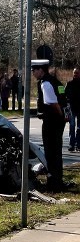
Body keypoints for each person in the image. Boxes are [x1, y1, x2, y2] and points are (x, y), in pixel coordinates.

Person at [31, 58, 67, 191]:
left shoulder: (45, 83)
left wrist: (59, 115)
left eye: (34, 70)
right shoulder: (55, 81)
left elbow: (53, 103)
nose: (33, 73)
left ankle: (54, 183)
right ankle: (57, 180)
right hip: (57, 122)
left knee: (51, 153)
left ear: (41, 70)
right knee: (56, 152)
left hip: (52, 122)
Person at [65, 67, 80, 152]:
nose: (76, 74)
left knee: (79, 128)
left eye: (77, 73)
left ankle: (79, 145)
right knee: (72, 127)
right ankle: (72, 145)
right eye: (75, 73)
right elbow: (64, 94)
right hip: (71, 108)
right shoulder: (69, 84)